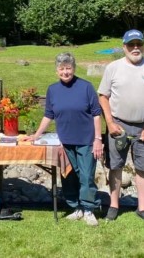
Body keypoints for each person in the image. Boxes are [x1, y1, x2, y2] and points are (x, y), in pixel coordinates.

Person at [30, 52, 102, 226]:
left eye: (68, 68)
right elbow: (49, 115)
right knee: (68, 175)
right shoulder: (52, 90)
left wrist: (98, 139)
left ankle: (88, 209)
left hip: (86, 140)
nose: (65, 72)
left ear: (74, 68)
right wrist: (37, 134)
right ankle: (75, 207)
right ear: (56, 71)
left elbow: (97, 114)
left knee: (86, 176)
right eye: (61, 69)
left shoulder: (86, 87)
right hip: (64, 141)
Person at [98, 29, 144, 221]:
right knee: (115, 166)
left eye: (139, 44)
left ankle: (142, 207)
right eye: (131, 44)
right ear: (124, 47)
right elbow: (103, 96)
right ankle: (114, 205)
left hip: (143, 127)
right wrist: (109, 121)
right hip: (118, 125)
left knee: (142, 168)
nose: (135, 48)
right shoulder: (113, 67)